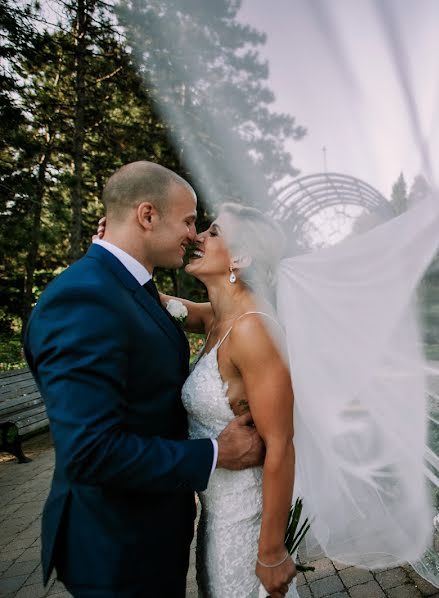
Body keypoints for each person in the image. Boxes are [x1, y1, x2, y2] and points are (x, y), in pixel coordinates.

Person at [24, 162, 265, 597]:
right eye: (190, 221)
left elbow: (202, 315)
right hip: (116, 547)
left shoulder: (129, 288)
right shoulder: (84, 298)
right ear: (148, 216)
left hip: (153, 536)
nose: (194, 235)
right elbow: (89, 451)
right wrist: (214, 452)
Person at [102, 202, 299, 597]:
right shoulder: (217, 317)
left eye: (212, 232)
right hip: (215, 514)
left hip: (244, 520)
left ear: (239, 257)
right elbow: (153, 301)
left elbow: (281, 445)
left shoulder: (253, 331)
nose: (197, 237)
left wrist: (272, 550)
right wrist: (115, 244)